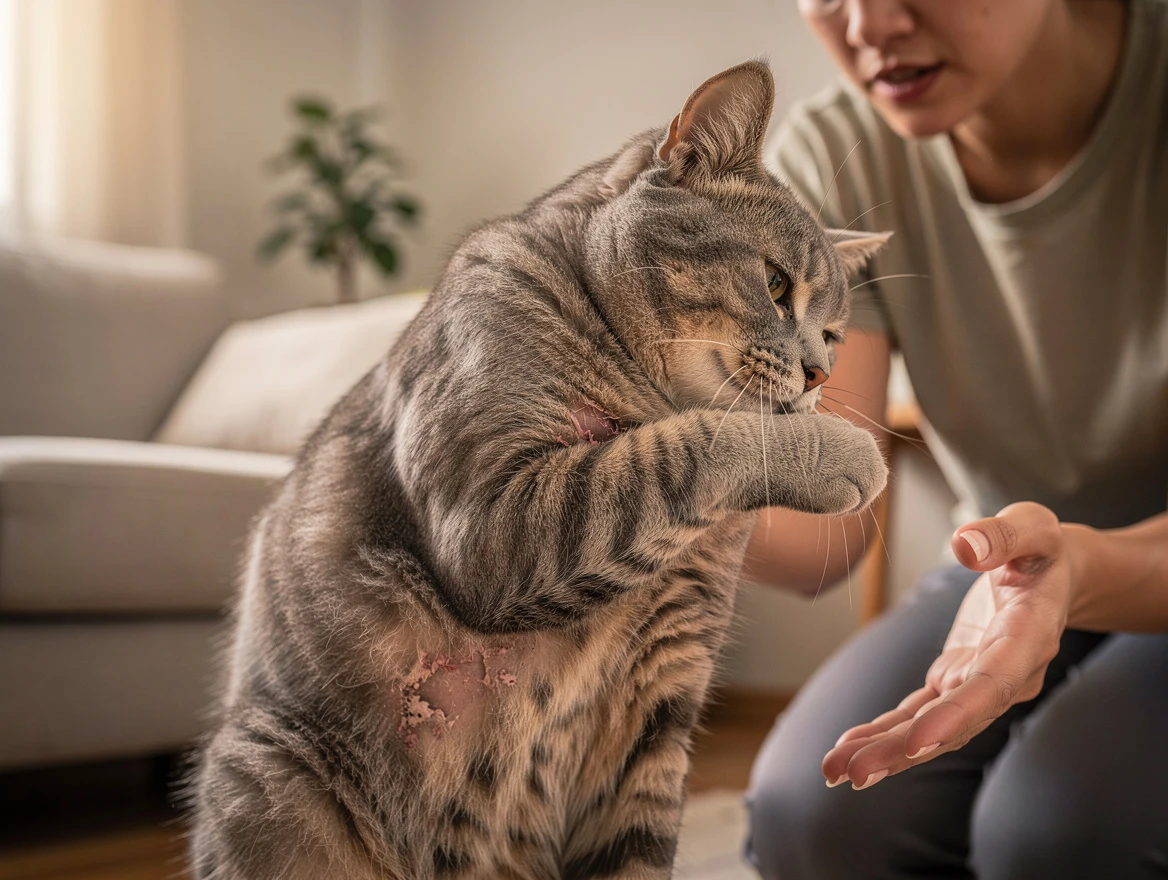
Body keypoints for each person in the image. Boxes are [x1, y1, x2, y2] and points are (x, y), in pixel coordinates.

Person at [742, 0, 1168, 877]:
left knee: (1060, 833)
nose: (868, 24)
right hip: (1008, 564)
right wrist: (646, 487)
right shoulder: (832, 159)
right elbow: (826, 523)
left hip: (1130, 560)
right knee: (817, 814)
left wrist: (1083, 568)